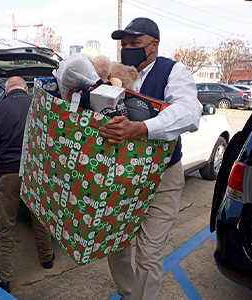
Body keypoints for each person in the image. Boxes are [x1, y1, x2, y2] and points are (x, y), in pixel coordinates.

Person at [99, 18, 202, 300]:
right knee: (114, 243)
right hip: (121, 176)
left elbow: (189, 113)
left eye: (136, 43)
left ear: (154, 45)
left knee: (149, 253)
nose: (128, 49)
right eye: (125, 45)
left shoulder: (174, 72)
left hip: (163, 177)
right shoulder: (113, 76)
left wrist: (140, 129)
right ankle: (128, 292)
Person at [0, 76, 54, 293]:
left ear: (8, 89)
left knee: (6, 225)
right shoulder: (41, 107)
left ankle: (4, 277)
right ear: (24, 88)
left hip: (8, 171)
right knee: (40, 218)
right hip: (36, 172)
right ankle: (47, 258)